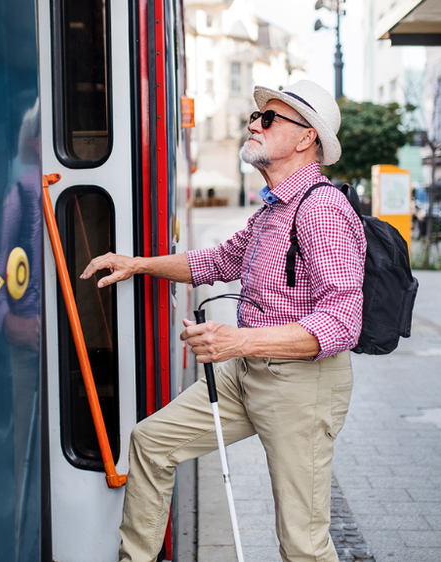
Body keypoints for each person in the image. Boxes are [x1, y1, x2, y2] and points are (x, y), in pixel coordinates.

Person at [81, 80, 366, 562]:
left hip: (301, 386)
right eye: (256, 117)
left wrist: (237, 341)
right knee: (150, 442)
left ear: (305, 138)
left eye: (269, 119)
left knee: (302, 541)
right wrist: (139, 263)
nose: (253, 123)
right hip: (248, 372)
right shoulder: (276, 207)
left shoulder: (322, 209)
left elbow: (342, 322)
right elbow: (217, 261)